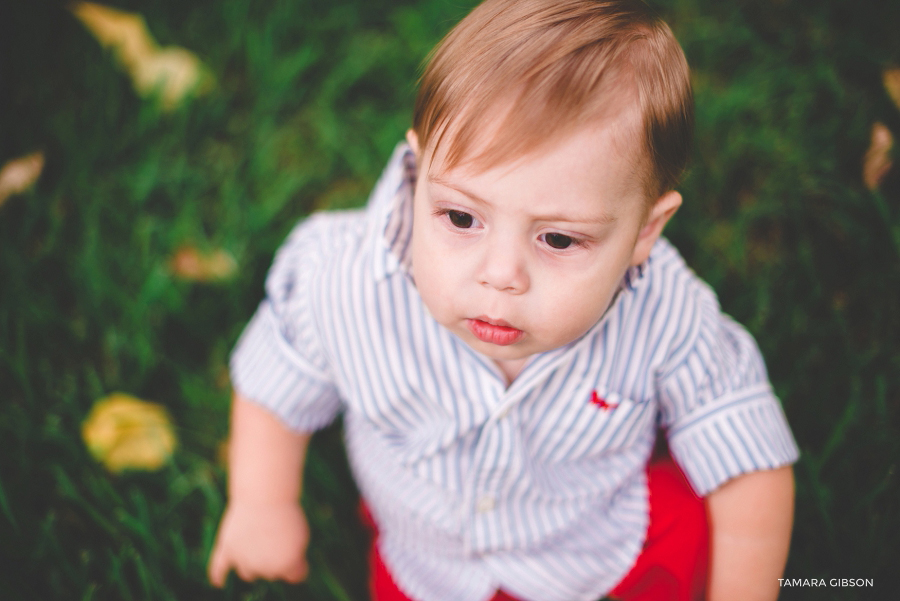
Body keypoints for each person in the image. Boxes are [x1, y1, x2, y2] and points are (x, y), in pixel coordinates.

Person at [207, 1, 799, 599]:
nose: (501, 276)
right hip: (430, 561)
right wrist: (264, 504)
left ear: (645, 231)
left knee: (692, 522)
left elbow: (749, 460)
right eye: (462, 217)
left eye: (559, 238)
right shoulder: (341, 279)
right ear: (419, 170)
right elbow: (276, 382)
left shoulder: (668, 314)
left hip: (599, 547)